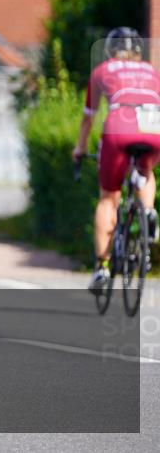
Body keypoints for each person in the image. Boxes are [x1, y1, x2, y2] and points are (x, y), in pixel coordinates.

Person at [74, 27, 160, 294]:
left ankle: (102, 268)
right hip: (154, 125)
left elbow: (89, 117)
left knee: (108, 198)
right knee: (145, 170)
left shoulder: (103, 70)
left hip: (120, 123)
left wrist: (80, 148)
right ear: (138, 51)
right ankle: (148, 212)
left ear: (110, 50)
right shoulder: (151, 71)